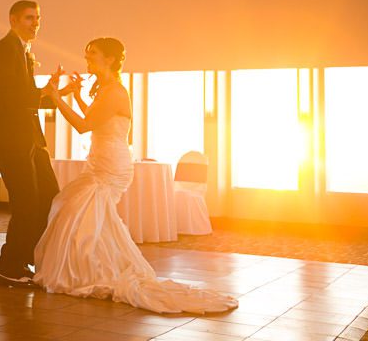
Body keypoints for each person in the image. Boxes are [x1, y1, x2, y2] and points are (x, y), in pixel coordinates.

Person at [34, 37, 239, 313]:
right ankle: (89, 268)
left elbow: (84, 126)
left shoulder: (116, 91)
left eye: (92, 54)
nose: (87, 59)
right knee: (87, 214)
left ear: (109, 59)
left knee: (78, 210)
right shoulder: (106, 89)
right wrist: (78, 95)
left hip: (110, 165)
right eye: (86, 55)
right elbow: (95, 118)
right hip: (101, 159)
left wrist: (58, 97)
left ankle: (86, 270)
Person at [0, 0, 60, 288]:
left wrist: (57, 94)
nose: (35, 23)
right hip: (9, 138)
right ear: (12, 20)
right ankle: (8, 266)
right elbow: (11, 98)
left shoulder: (23, 52)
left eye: (38, 18)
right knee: (26, 202)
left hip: (29, 138)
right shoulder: (4, 49)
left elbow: (26, 96)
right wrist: (46, 94)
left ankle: (25, 257)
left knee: (48, 195)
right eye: (29, 18)